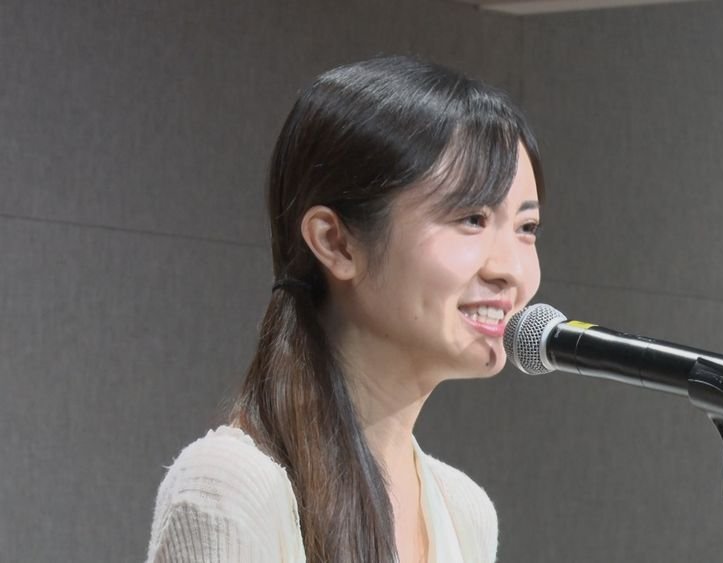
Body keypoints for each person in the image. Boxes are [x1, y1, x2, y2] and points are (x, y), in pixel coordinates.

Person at [144, 55, 545, 563]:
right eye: (471, 218)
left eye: (526, 228)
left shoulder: (464, 510)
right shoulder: (231, 490)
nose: (511, 270)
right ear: (335, 242)